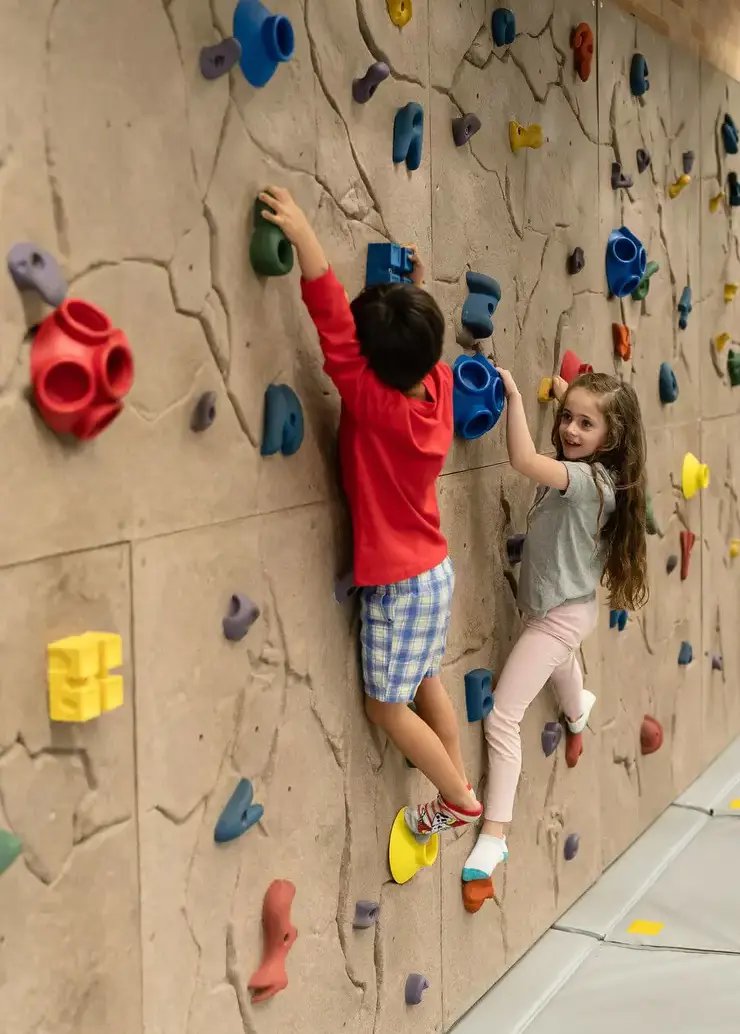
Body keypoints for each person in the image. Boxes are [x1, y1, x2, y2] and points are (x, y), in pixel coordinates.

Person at [259, 186, 482, 838]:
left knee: (385, 705)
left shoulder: (375, 406)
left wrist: (304, 234)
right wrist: (409, 286)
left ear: (373, 368)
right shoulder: (436, 388)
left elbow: (331, 320)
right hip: (431, 574)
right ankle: (457, 789)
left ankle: (459, 801)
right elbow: (416, 341)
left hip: (399, 583)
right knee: (427, 680)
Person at [462, 368, 648, 883]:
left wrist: (517, 396)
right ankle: (576, 707)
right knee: (560, 663)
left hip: (557, 617)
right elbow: (586, 418)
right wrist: (568, 395)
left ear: (612, 437)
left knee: (502, 715)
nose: (569, 429)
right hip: (567, 607)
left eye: (585, 424)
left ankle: (495, 835)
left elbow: (523, 459)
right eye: (567, 418)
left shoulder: (587, 482)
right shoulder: (599, 467)